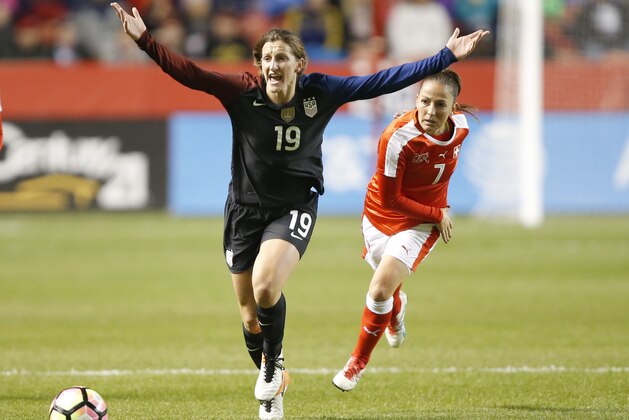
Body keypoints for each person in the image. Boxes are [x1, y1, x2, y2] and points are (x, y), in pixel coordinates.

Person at [110, 3, 488, 418]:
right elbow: (189, 73)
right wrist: (145, 40)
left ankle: (272, 368)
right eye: (267, 58)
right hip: (243, 209)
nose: (274, 65)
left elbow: (381, 80)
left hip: (293, 206)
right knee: (250, 316)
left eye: (282, 58)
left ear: (299, 65)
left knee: (266, 285)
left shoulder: (321, 92)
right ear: (259, 65)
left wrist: (445, 57)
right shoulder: (241, 91)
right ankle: (276, 384)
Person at [333, 69, 476, 392]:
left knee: (380, 288)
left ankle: (357, 363)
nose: (431, 111)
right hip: (380, 216)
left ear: (454, 108)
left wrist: (434, 215)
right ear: (416, 101)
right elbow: (390, 198)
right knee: (388, 292)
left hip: (421, 225)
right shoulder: (397, 137)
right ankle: (396, 312)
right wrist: (437, 211)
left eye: (440, 105)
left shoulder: (462, 128)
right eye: (425, 102)